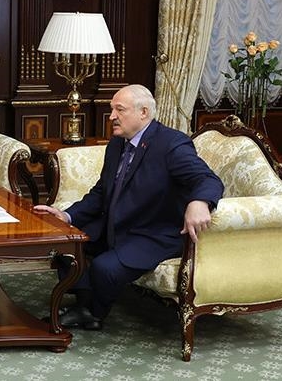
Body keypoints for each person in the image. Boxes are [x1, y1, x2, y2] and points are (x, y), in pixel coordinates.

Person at [33, 84, 224, 330]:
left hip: (153, 232)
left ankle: (94, 313)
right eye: (112, 109)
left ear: (143, 112)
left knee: (104, 268)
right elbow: (101, 192)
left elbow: (208, 179)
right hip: (118, 224)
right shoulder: (117, 143)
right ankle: (85, 304)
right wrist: (67, 215)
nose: (112, 116)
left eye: (119, 110)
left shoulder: (171, 144)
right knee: (64, 243)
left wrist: (199, 202)